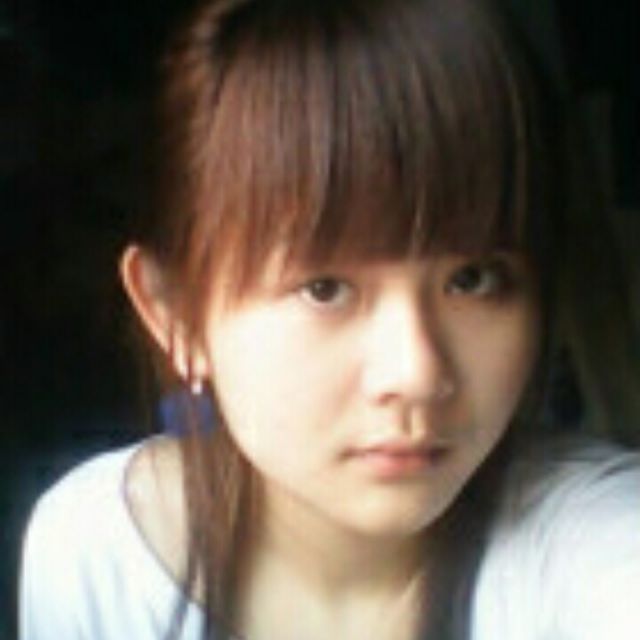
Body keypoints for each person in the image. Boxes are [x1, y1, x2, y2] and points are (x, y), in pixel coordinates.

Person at [19, 0, 640, 638]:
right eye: (324, 289)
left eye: (473, 279)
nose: (416, 374)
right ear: (176, 314)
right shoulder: (99, 558)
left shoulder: (596, 548)